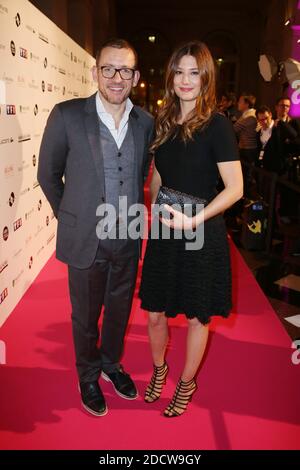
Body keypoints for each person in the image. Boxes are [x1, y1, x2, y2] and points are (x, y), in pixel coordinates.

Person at [38, 38, 154, 417]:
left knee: (119, 310)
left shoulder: (146, 123)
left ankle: (110, 364)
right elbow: (48, 175)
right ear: (95, 72)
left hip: (128, 237)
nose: (116, 77)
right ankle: (87, 373)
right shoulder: (67, 115)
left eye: (124, 70)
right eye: (108, 68)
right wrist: (72, 216)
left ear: (135, 76)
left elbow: (139, 176)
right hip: (86, 237)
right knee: (85, 314)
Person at [139, 41, 243, 417]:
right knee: (154, 313)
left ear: (206, 78)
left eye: (194, 72)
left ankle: (185, 382)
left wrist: (194, 219)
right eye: (179, 71)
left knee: (197, 315)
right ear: (171, 76)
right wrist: (153, 211)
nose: (185, 80)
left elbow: (236, 188)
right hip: (166, 226)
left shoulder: (217, 125)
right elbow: (160, 176)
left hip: (200, 227)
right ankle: (159, 370)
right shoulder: (164, 122)